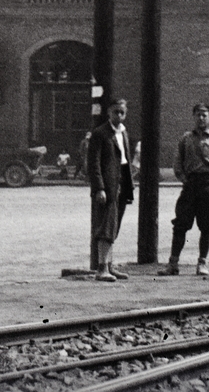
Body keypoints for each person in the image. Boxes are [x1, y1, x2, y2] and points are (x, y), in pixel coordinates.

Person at [160, 103, 209, 277]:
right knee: (180, 225)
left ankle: (202, 263)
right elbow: (177, 162)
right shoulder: (186, 139)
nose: (201, 118)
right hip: (190, 185)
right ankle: (173, 264)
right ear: (193, 117)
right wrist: (184, 179)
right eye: (198, 114)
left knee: (206, 226)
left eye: (205, 115)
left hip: (208, 185)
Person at [86, 98, 135, 282]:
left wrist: (129, 186)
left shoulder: (123, 133)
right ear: (109, 113)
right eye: (116, 112)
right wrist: (99, 188)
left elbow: (125, 161)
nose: (119, 115)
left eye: (122, 112)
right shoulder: (100, 133)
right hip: (108, 186)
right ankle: (101, 268)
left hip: (121, 184)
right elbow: (94, 163)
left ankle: (110, 266)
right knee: (106, 227)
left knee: (114, 226)